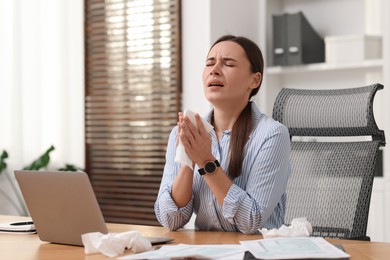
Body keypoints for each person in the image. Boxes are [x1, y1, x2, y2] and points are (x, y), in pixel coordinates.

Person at [154, 35, 291, 234]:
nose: (214, 70)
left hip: (256, 252)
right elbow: (170, 219)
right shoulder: (185, 133)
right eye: (209, 63)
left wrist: (205, 161)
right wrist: (187, 161)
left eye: (228, 64)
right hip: (207, 250)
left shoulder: (272, 135)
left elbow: (251, 221)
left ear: (255, 79)